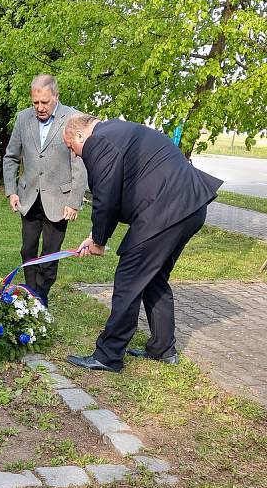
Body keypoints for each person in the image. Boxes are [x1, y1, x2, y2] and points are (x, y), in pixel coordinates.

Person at [62, 113, 222, 372]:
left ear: (80, 135)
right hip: (191, 206)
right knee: (154, 277)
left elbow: (107, 196)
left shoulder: (98, 140)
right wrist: (95, 236)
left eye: (72, 147)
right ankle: (162, 349)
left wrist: (99, 240)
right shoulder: (119, 131)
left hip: (165, 211)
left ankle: (108, 355)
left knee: (129, 278)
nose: (77, 155)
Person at [3, 74, 87, 306]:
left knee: (50, 256)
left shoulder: (73, 118)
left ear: (56, 96)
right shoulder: (23, 119)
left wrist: (74, 201)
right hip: (28, 197)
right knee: (28, 250)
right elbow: (10, 157)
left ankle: (42, 297)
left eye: (45, 103)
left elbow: (80, 163)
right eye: (35, 103)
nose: (39, 108)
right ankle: (31, 295)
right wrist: (11, 191)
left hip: (59, 201)